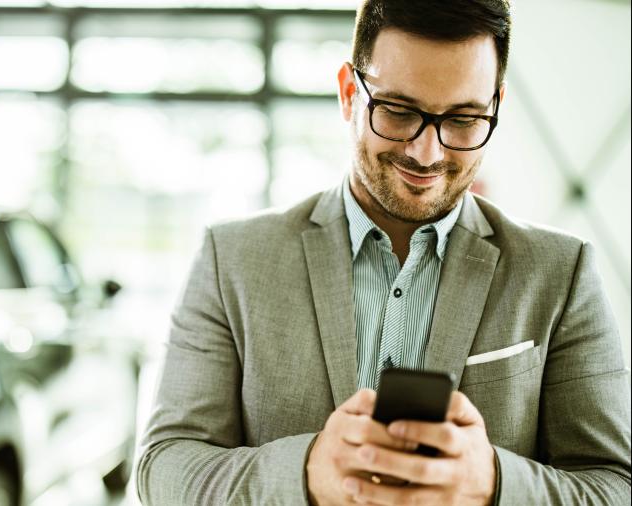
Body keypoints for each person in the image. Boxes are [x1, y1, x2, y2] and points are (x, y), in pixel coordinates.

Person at [135, 0, 631, 504]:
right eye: (397, 111)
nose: (427, 153)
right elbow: (165, 468)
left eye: (463, 119)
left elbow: (616, 485)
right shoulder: (232, 259)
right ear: (350, 93)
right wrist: (306, 473)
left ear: (496, 105)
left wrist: (494, 482)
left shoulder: (561, 272)